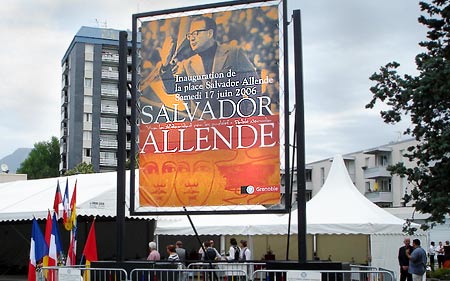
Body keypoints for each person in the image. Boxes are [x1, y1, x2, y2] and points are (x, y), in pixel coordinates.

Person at [159, 16, 261, 119]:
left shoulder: (233, 54)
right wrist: (165, 66)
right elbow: (171, 88)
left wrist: (249, 115)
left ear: (210, 33)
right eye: (190, 35)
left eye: (196, 33)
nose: (192, 38)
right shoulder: (187, 64)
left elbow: (254, 84)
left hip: (231, 124)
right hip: (202, 127)